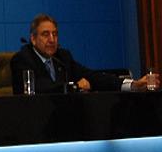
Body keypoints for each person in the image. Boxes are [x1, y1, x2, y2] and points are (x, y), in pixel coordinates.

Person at [10, 13, 150, 94]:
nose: (52, 40)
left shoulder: (62, 57)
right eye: (46, 34)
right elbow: (40, 87)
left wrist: (132, 85)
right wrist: (75, 87)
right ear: (33, 39)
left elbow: (92, 76)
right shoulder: (22, 59)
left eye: (55, 34)